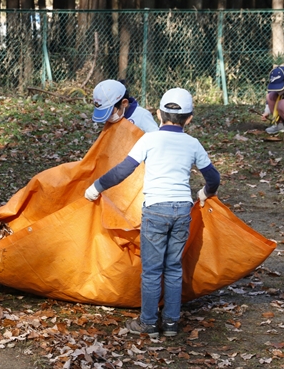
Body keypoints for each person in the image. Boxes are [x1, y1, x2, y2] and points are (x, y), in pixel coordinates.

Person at [84, 88, 220, 338]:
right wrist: (204, 194)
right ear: (190, 118)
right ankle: (170, 324)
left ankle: (148, 322)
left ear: (158, 114)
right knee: (173, 268)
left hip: (156, 210)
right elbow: (213, 177)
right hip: (181, 211)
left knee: (152, 270)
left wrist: (96, 187)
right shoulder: (193, 143)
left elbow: (122, 170)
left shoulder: (149, 140)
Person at [91, 79, 159, 133]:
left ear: (124, 103)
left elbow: (155, 139)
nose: (108, 118)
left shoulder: (142, 116)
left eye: (110, 113)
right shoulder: (112, 119)